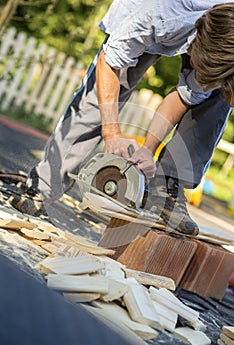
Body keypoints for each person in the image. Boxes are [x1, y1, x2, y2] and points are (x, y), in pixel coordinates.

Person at [10, 1, 234, 235]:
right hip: (155, 15)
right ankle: (43, 187)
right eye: (203, 66)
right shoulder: (154, 15)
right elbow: (110, 63)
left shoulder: (227, 45)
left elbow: (186, 96)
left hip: (208, 34)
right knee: (99, 101)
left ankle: (167, 191)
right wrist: (112, 133)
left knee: (215, 97)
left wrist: (148, 149)